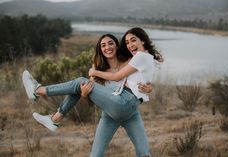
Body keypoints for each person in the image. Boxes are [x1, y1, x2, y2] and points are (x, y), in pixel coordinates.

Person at [22, 28, 162, 156]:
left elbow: (142, 77)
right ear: (100, 49)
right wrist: (84, 93)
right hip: (110, 113)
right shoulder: (97, 71)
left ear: (117, 45)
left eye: (110, 43)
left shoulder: (130, 59)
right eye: (103, 45)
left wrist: (149, 88)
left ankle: (40, 94)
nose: (107, 47)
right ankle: (51, 114)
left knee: (144, 153)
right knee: (95, 155)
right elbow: (89, 100)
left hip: (129, 109)